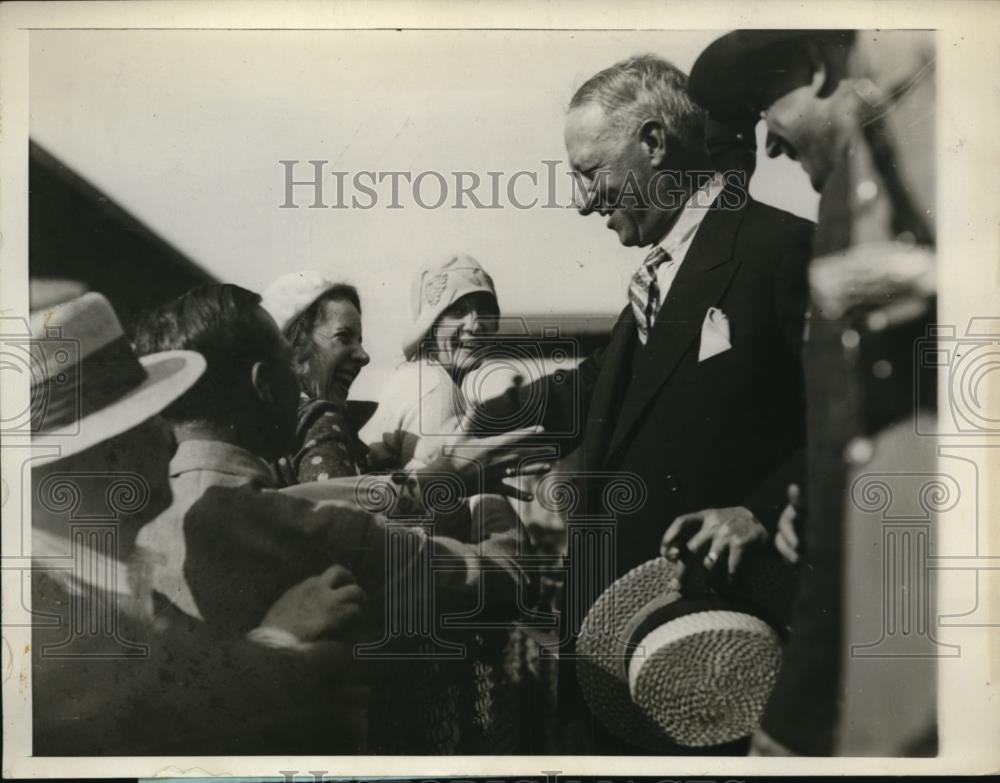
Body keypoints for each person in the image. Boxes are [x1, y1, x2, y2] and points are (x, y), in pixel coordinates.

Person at [131, 283, 546, 753]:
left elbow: (280, 497)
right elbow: (509, 575)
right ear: (263, 384)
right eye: (290, 363)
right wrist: (486, 498)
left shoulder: (136, 528)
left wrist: (429, 481)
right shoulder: (330, 537)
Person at [689, 29, 937, 756]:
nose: (765, 147)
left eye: (768, 110)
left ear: (823, 69)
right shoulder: (863, 189)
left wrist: (795, 720)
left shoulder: (912, 171)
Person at [29, 292, 369, 755]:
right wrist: (280, 649)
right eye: (142, 419)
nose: (164, 434)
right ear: (80, 465)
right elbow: (152, 718)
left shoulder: (93, 575)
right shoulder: (52, 620)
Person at [261, 271, 372, 483]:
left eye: (359, 340)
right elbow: (341, 512)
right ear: (294, 345)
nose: (363, 356)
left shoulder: (251, 422)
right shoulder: (317, 420)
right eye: (343, 336)